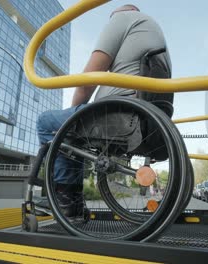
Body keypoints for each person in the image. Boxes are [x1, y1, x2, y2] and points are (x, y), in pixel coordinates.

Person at [36, 4, 172, 217]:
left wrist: (73, 115)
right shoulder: (155, 34)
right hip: (148, 117)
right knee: (70, 131)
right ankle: (71, 199)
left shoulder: (121, 20)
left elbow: (87, 81)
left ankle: (66, 201)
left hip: (116, 114)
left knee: (46, 122)